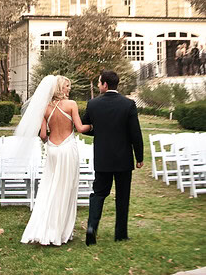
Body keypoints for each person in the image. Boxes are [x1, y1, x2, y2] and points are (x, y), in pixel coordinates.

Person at [18, 75, 92, 246]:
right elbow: (80, 128)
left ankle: (46, 228)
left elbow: (43, 135)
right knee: (66, 189)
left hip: (52, 149)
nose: (69, 89)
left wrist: (51, 143)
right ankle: (60, 232)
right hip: (67, 149)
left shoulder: (44, 108)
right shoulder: (71, 104)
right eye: (67, 86)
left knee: (50, 188)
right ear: (59, 88)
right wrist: (94, 125)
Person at [82, 70, 144, 246]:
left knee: (99, 194)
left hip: (102, 159)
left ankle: (91, 227)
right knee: (123, 196)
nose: (98, 86)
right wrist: (139, 157)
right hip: (123, 159)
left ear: (105, 85)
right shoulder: (128, 104)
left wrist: (99, 132)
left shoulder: (92, 104)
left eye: (99, 83)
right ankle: (121, 234)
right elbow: (135, 133)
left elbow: (87, 126)